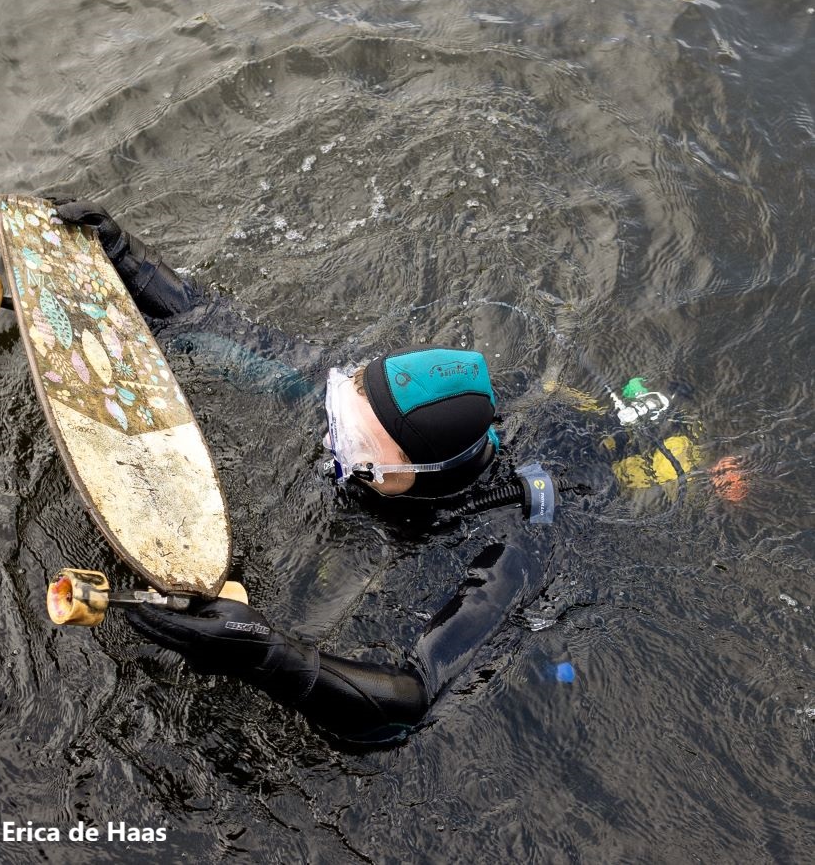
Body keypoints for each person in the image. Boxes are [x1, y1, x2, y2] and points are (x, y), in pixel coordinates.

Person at [51, 199, 741, 744]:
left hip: (583, 486)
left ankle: (719, 471)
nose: (333, 437)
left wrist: (264, 653)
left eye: (355, 441)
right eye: (345, 412)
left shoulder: (506, 550)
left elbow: (410, 697)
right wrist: (129, 261)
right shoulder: (370, 411)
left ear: (422, 470)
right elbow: (227, 328)